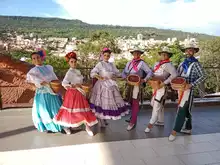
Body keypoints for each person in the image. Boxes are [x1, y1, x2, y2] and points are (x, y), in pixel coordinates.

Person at [53, 52, 98, 136]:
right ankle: (66, 126)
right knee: (70, 111)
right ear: (69, 63)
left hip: (79, 92)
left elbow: (80, 81)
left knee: (83, 110)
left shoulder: (77, 71)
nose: (73, 63)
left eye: (74, 61)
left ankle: (87, 127)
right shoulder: (69, 72)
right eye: (71, 62)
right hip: (72, 93)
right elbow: (64, 83)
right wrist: (72, 85)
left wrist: (80, 85)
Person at [168, 42, 206, 141]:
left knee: (181, 109)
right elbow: (178, 75)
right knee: (187, 110)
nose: (189, 51)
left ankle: (174, 131)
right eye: (187, 50)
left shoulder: (196, 64)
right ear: (185, 52)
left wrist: (191, 84)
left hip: (188, 91)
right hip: (180, 89)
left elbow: (204, 76)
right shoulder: (182, 63)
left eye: (191, 50)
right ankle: (188, 128)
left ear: (194, 52)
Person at [90, 48, 129, 127]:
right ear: (102, 55)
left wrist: (126, 75)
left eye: (108, 55)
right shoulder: (100, 64)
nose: (106, 57)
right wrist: (98, 77)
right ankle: (101, 120)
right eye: (105, 55)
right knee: (102, 103)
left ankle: (103, 118)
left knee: (107, 103)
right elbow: (93, 72)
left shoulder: (112, 64)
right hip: (102, 85)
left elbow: (117, 73)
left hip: (111, 84)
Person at [26, 49, 63, 133]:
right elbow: (32, 81)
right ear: (32, 61)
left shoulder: (49, 67)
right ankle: (49, 126)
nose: (36, 59)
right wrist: (41, 83)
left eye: (38, 57)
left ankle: (59, 125)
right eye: (34, 58)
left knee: (55, 108)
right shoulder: (33, 71)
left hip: (52, 91)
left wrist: (55, 85)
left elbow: (54, 78)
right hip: (43, 93)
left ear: (41, 58)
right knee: (45, 110)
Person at [144, 47, 177, 133]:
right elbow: (151, 72)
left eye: (165, 54)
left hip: (161, 88)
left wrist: (164, 83)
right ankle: (161, 120)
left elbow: (174, 74)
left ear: (168, 55)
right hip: (155, 86)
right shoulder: (157, 63)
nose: (163, 55)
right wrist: (147, 79)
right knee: (154, 103)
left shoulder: (169, 65)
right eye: (162, 54)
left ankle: (150, 124)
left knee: (156, 105)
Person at [122, 47, 153, 131]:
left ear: (140, 54)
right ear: (133, 54)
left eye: (138, 53)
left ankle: (132, 122)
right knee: (131, 101)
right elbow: (124, 72)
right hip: (129, 85)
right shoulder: (129, 63)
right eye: (135, 53)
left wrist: (144, 79)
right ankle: (133, 118)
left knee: (135, 102)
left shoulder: (142, 63)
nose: (136, 54)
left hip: (137, 85)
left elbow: (150, 72)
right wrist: (124, 77)